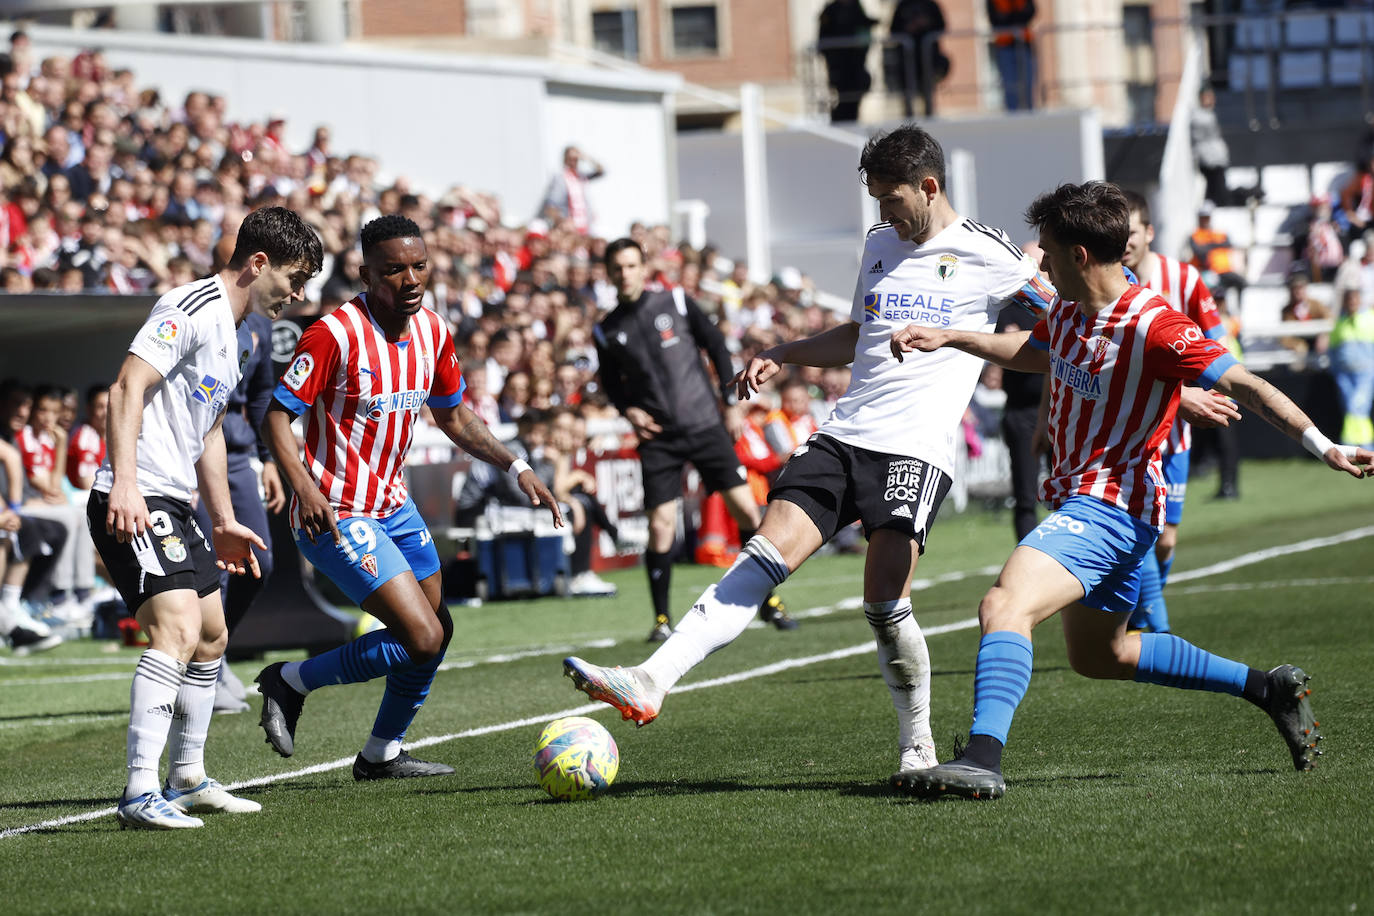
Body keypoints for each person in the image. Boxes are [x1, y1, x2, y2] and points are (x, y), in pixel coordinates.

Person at [565, 124, 1057, 776]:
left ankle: (918, 748)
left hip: (915, 450)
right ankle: (651, 680)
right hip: (843, 432)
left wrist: (960, 340)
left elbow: (1062, 335)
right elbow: (860, 333)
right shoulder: (882, 243)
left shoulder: (988, 253)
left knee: (884, 605)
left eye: (891, 199)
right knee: (762, 554)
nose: (883, 214)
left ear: (929, 187)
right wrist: (782, 354)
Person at [888, 180, 1371, 801]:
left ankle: (982, 757)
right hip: (1093, 504)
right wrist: (953, 337)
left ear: (1081, 256)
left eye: (1050, 252)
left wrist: (1323, 444)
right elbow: (1034, 350)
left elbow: (1245, 384)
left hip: (1111, 505)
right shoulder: (1067, 310)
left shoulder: (1156, 325)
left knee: (1004, 605)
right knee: (1102, 655)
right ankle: (1267, 688)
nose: (1043, 263)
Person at [255, 215, 561, 780]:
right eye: (394, 270)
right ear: (366, 273)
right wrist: (305, 488)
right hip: (338, 511)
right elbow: (278, 418)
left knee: (437, 630)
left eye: (419, 266)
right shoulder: (334, 333)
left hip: (394, 507)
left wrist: (516, 464)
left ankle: (380, 754)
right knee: (421, 637)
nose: (411, 279)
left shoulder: (434, 332)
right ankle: (289, 681)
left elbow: (453, 416)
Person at [87, 205, 322, 829]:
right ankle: (140, 792)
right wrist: (127, 486)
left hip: (175, 500)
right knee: (178, 628)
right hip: (137, 494)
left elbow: (211, 431)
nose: (298, 296)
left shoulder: (235, 331)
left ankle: (187, 777)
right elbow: (125, 387)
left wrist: (221, 517)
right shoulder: (189, 307)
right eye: (295, 280)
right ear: (259, 262)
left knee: (214, 632)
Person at [593, 237, 794, 642]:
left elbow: (717, 346)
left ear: (643, 267)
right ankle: (662, 621)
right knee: (661, 526)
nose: (625, 274)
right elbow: (612, 386)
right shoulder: (606, 328)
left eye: (631, 266)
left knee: (747, 513)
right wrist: (629, 410)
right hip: (659, 439)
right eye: (618, 268)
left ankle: (768, 601)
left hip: (704, 426)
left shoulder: (677, 302)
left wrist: (730, 402)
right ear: (610, 273)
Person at [1121, 190, 1227, 634]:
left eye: (1129, 232)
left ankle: (1147, 610)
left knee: (1166, 540)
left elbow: (1216, 339)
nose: (1123, 242)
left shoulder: (1182, 278)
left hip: (1176, 431)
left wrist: (1215, 386)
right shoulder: (1110, 282)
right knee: (1139, 531)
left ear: (1149, 231)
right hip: (1128, 429)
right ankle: (1154, 625)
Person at [190, 233, 284, 715]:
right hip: (197, 452)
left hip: (241, 451)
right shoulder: (198, 312)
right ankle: (207, 663)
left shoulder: (260, 326)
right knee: (218, 566)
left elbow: (264, 393)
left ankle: (217, 647)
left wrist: (269, 459)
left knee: (258, 564)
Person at [884, 0, 948, 117]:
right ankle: (908, 118)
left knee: (927, 90)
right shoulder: (903, 5)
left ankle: (929, 114)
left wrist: (926, 24)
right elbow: (893, 31)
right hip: (907, 59)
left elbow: (942, 26)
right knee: (907, 92)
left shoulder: (930, 5)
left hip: (928, 57)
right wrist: (909, 28)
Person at [818, 0, 876, 123]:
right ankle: (840, 119)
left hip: (857, 64)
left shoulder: (857, 6)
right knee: (843, 97)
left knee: (859, 90)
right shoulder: (830, 10)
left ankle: (851, 118)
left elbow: (862, 23)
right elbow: (822, 40)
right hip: (839, 65)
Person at [1330, 287, 1374, 448]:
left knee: (1358, 407)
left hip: (1365, 372)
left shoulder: (1370, 318)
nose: (1352, 303)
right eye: (1349, 300)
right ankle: (1354, 445)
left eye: (1354, 299)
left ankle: (1363, 444)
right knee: (1350, 408)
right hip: (1344, 373)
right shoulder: (1340, 322)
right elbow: (1333, 349)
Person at [540, 146, 603, 235]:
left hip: (585, 227)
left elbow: (601, 171)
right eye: (571, 159)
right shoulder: (560, 178)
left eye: (576, 159)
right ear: (565, 160)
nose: (573, 162)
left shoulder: (581, 176)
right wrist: (562, 221)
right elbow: (551, 205)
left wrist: (586, 158)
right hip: (570, 229)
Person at [987, 0, 1036, 111]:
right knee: (1009, 85)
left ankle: (1028, 112)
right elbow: (995, 19)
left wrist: (1010, 17)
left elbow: (1030, 12)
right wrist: (1016, 17)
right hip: (1004, 45)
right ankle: (1012, 113)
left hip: (1024, 44)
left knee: (1027, 83)